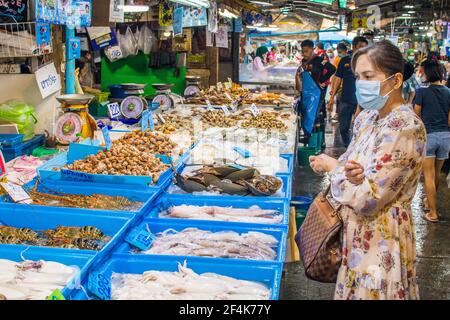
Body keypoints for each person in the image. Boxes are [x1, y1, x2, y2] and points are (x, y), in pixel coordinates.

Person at [310, 40, 426, 300]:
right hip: (354, 237)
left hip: (381, 238)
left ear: (395, 81)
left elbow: (368, 198)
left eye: (369, 76)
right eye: (358, 76)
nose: (361, 83)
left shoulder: (404, 126)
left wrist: (334, 168)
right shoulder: (367, 118)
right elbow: (354, 167)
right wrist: (341, 169)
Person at [413, 60, 450, 223]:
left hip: (429, 136)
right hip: (445, 137)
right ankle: (429, 201)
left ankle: (433, 212)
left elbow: (416, 116)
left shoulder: (421, 91)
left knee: (428, 175)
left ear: (427, 73)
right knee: (436, 173)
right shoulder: (448, 92)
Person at [328, 36, 368, 148]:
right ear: (354, 47)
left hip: (363, 101)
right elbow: (337, 78)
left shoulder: (368, 62)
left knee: (361, 126)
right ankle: (349, 147)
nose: (363, 50)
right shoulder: (345, 61)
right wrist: (332, 97)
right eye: (361, 47)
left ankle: (358, 149)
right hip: (346, 100)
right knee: (343, 128)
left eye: (365, 48)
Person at [296, 39, 336, 142]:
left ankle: (315, 142)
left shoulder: (319, 60)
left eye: (306, 51)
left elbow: (332, 69)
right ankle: (309, 138)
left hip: (317, 93)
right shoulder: (304, 62)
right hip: (306, 93)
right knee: (307, 115)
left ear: (312, 49)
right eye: (303, 51)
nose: (304, 54)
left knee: (314, 117)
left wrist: (321, 80)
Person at [328, 42, 349, 122]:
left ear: (345, 51)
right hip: (338, 84)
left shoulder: (349, 60)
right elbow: (336, 74)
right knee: (338, 100)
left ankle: (341, 115)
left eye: (340, 52)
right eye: (338, 52)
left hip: (345, 85)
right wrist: (333, 86)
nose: (339, 54)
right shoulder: (337, 59)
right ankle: (339, 115)